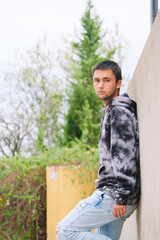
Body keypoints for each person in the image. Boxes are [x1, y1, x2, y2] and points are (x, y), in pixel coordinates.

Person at [56, 60, 140, 240]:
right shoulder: (113, 110)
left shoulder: (118, 112)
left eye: (107, 80)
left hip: (114, 196)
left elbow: (125, 156)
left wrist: (121, 197)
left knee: (65, 231)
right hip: (117, 195)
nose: (100, 85)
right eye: (97, 80)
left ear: (118, 83)